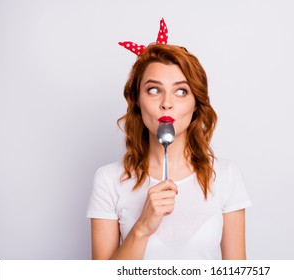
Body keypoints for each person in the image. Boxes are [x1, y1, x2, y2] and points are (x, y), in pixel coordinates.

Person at [86, 19, 252, 260]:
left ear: (196, 104)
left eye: (181, 91)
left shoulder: (226, 176)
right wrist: (142, 227)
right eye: (154, 89)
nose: (167, 102)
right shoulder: (109, 180)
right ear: (137, 101)